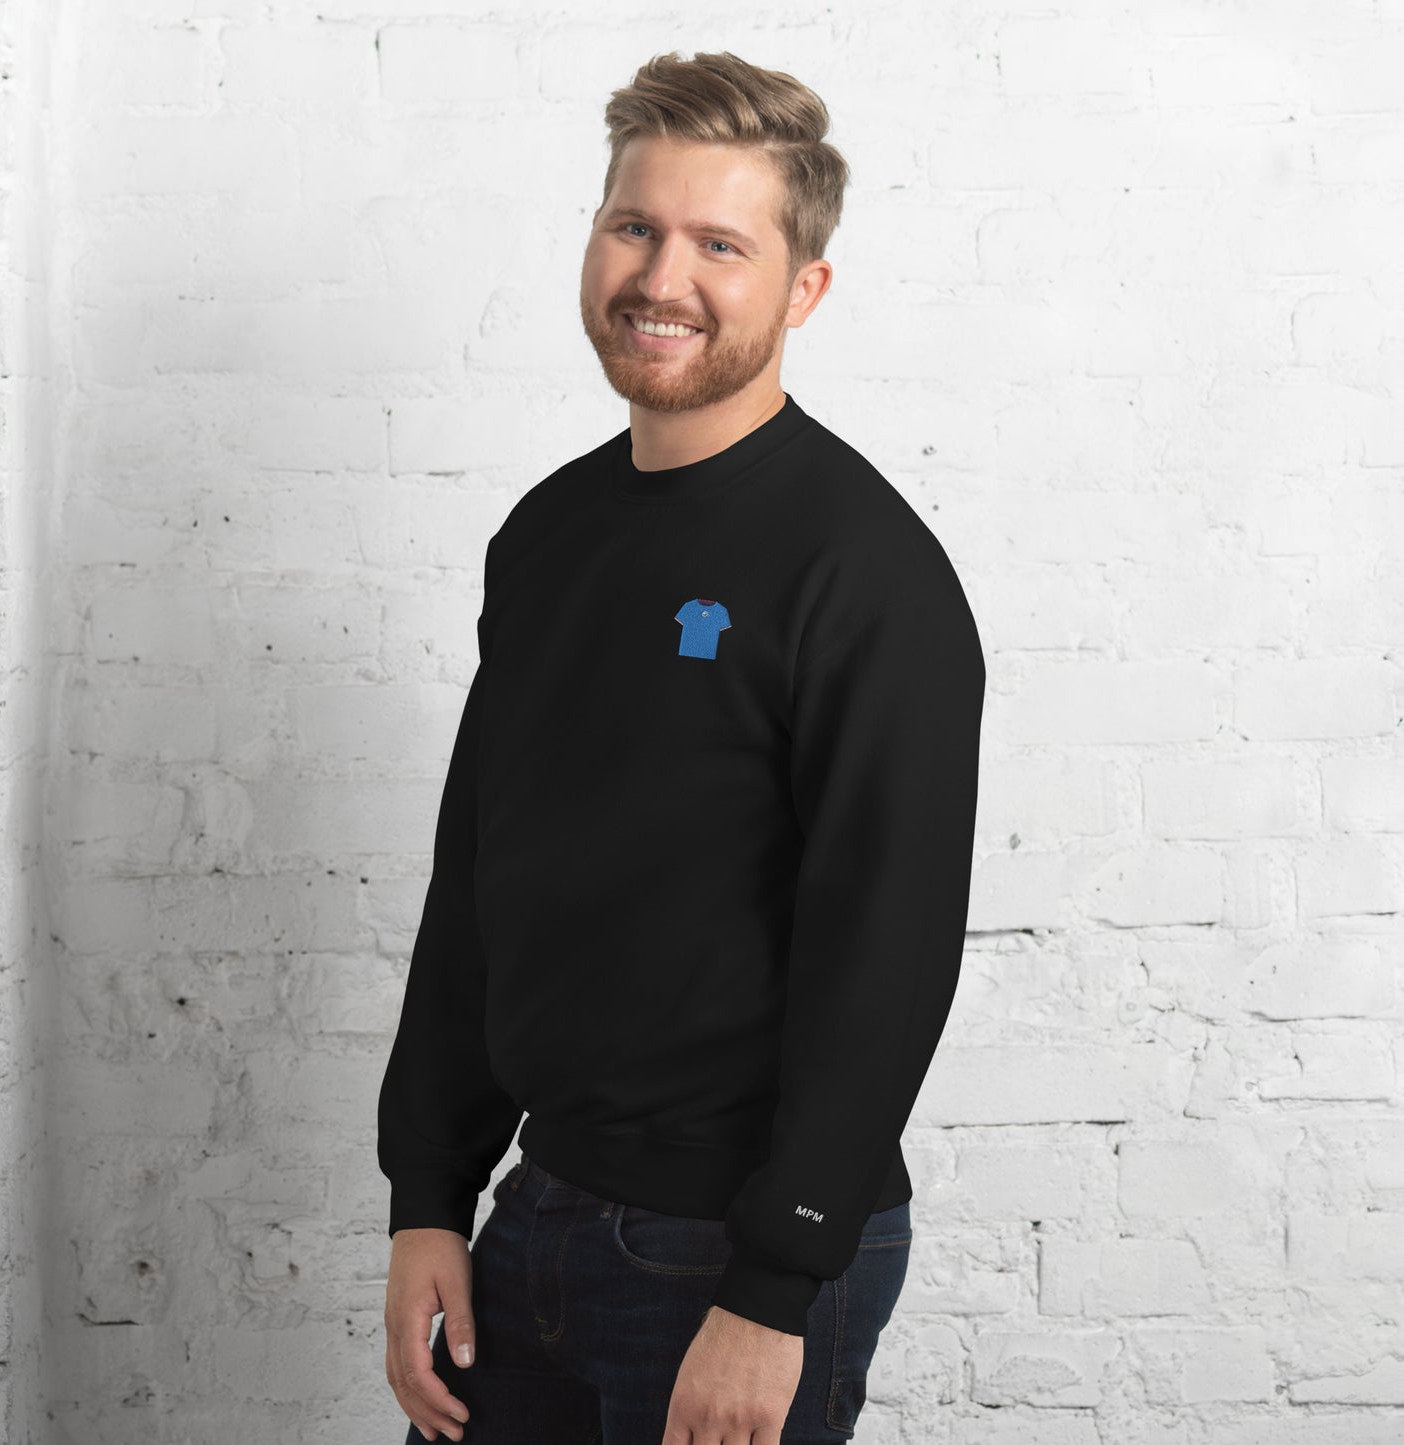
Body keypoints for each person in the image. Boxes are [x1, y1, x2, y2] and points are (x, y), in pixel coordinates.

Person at [378, 50, 986, 1445]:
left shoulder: (863, 572)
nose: (663, 278)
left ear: (803, 289)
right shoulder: (547, 535)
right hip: (533, 1215)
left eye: (721, 243)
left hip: (729, 1257)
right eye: (634, 227)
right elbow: (478, 881)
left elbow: (886, 953)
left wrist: (774, 1287)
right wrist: (428, 1194)